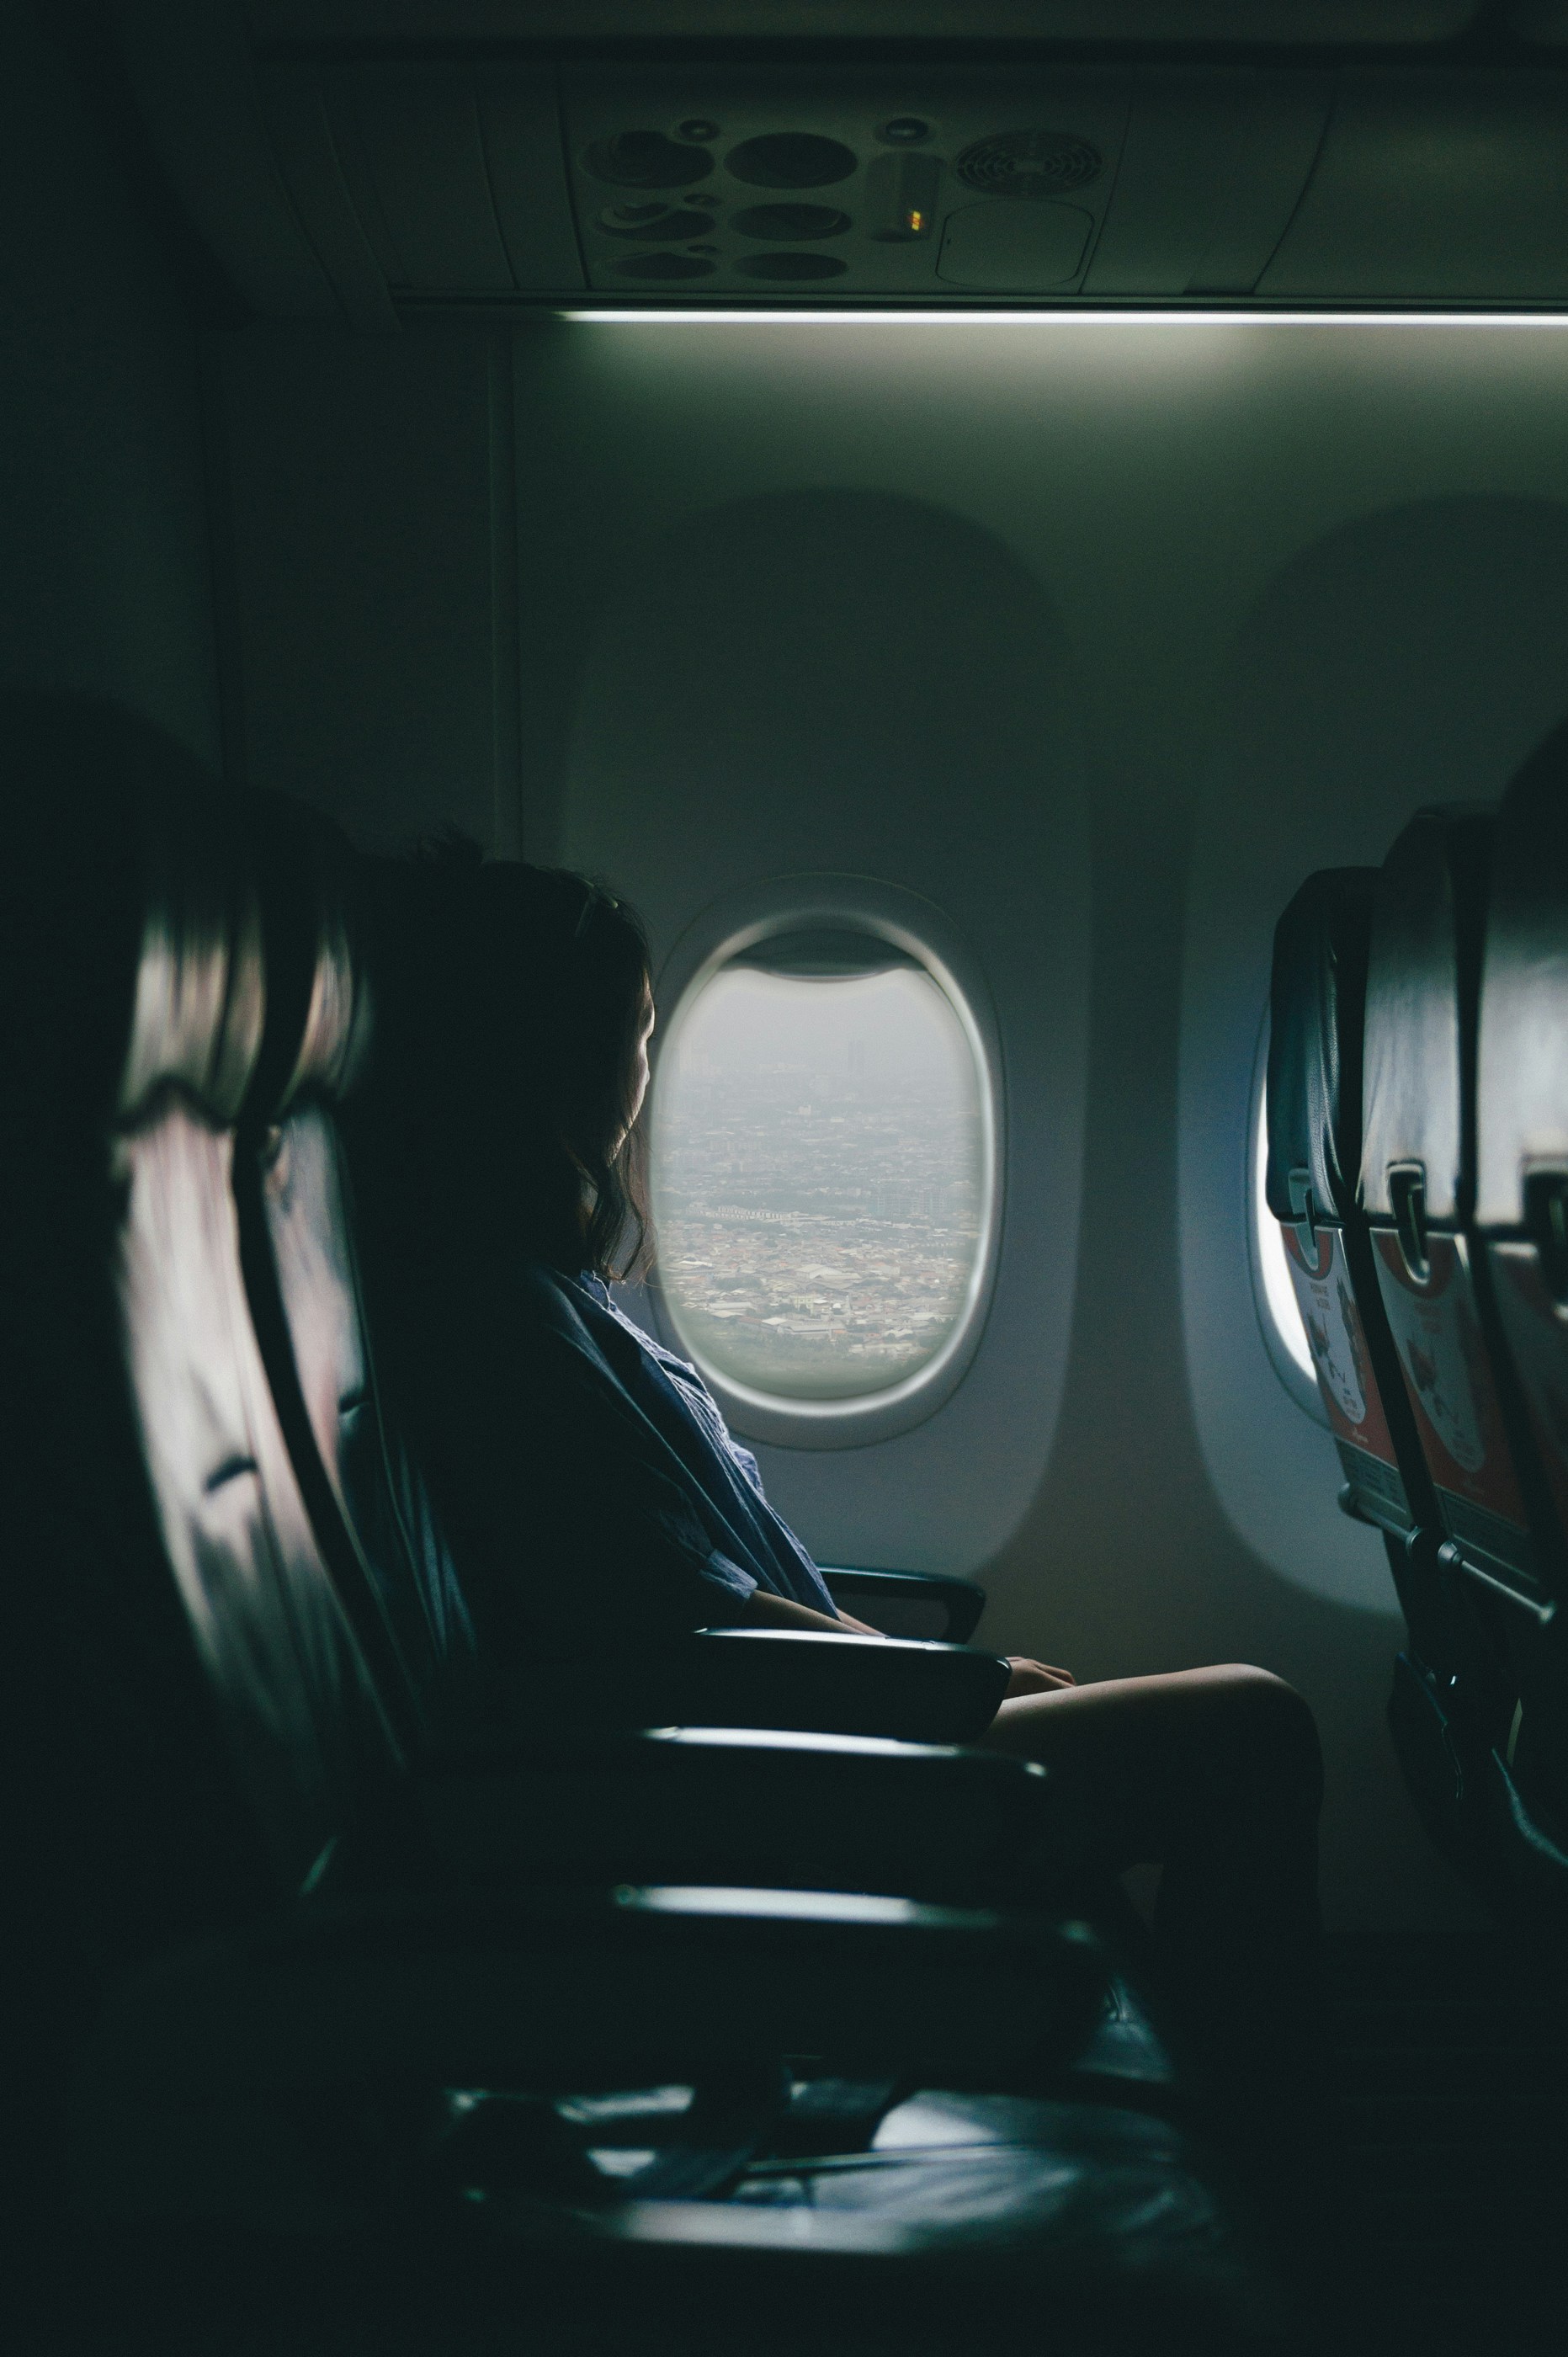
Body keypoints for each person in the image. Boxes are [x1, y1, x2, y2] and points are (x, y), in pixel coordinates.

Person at [355, 844, 1324, 2125]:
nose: (645, 1080)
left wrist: (917, 1676)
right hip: (749, 1788)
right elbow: (672, 1621)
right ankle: (1258, 2155)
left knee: (1190, 1729)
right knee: (1251, 1727)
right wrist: (939, 1685)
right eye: (636, 1034)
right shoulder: (502, 1323)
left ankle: (1206, 2120)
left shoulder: (541, 1296)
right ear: (561, 1056)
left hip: (784, 1734)